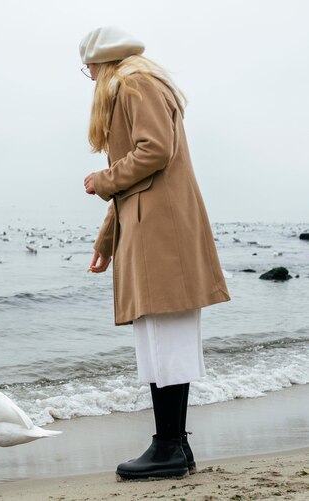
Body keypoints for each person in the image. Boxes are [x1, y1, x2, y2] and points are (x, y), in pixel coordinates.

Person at [79, 26, 230, 481]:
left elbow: (154, 151)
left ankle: (168, 446)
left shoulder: (134, 82)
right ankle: (174, 445)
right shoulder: (135, 83)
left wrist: (101, 180)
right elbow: (137, 180)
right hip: (150, 228)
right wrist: (106, 243)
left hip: (160, 231)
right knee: (161, 340)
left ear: (101, 60)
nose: (87, 76)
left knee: (166, 339)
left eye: (87, 66)